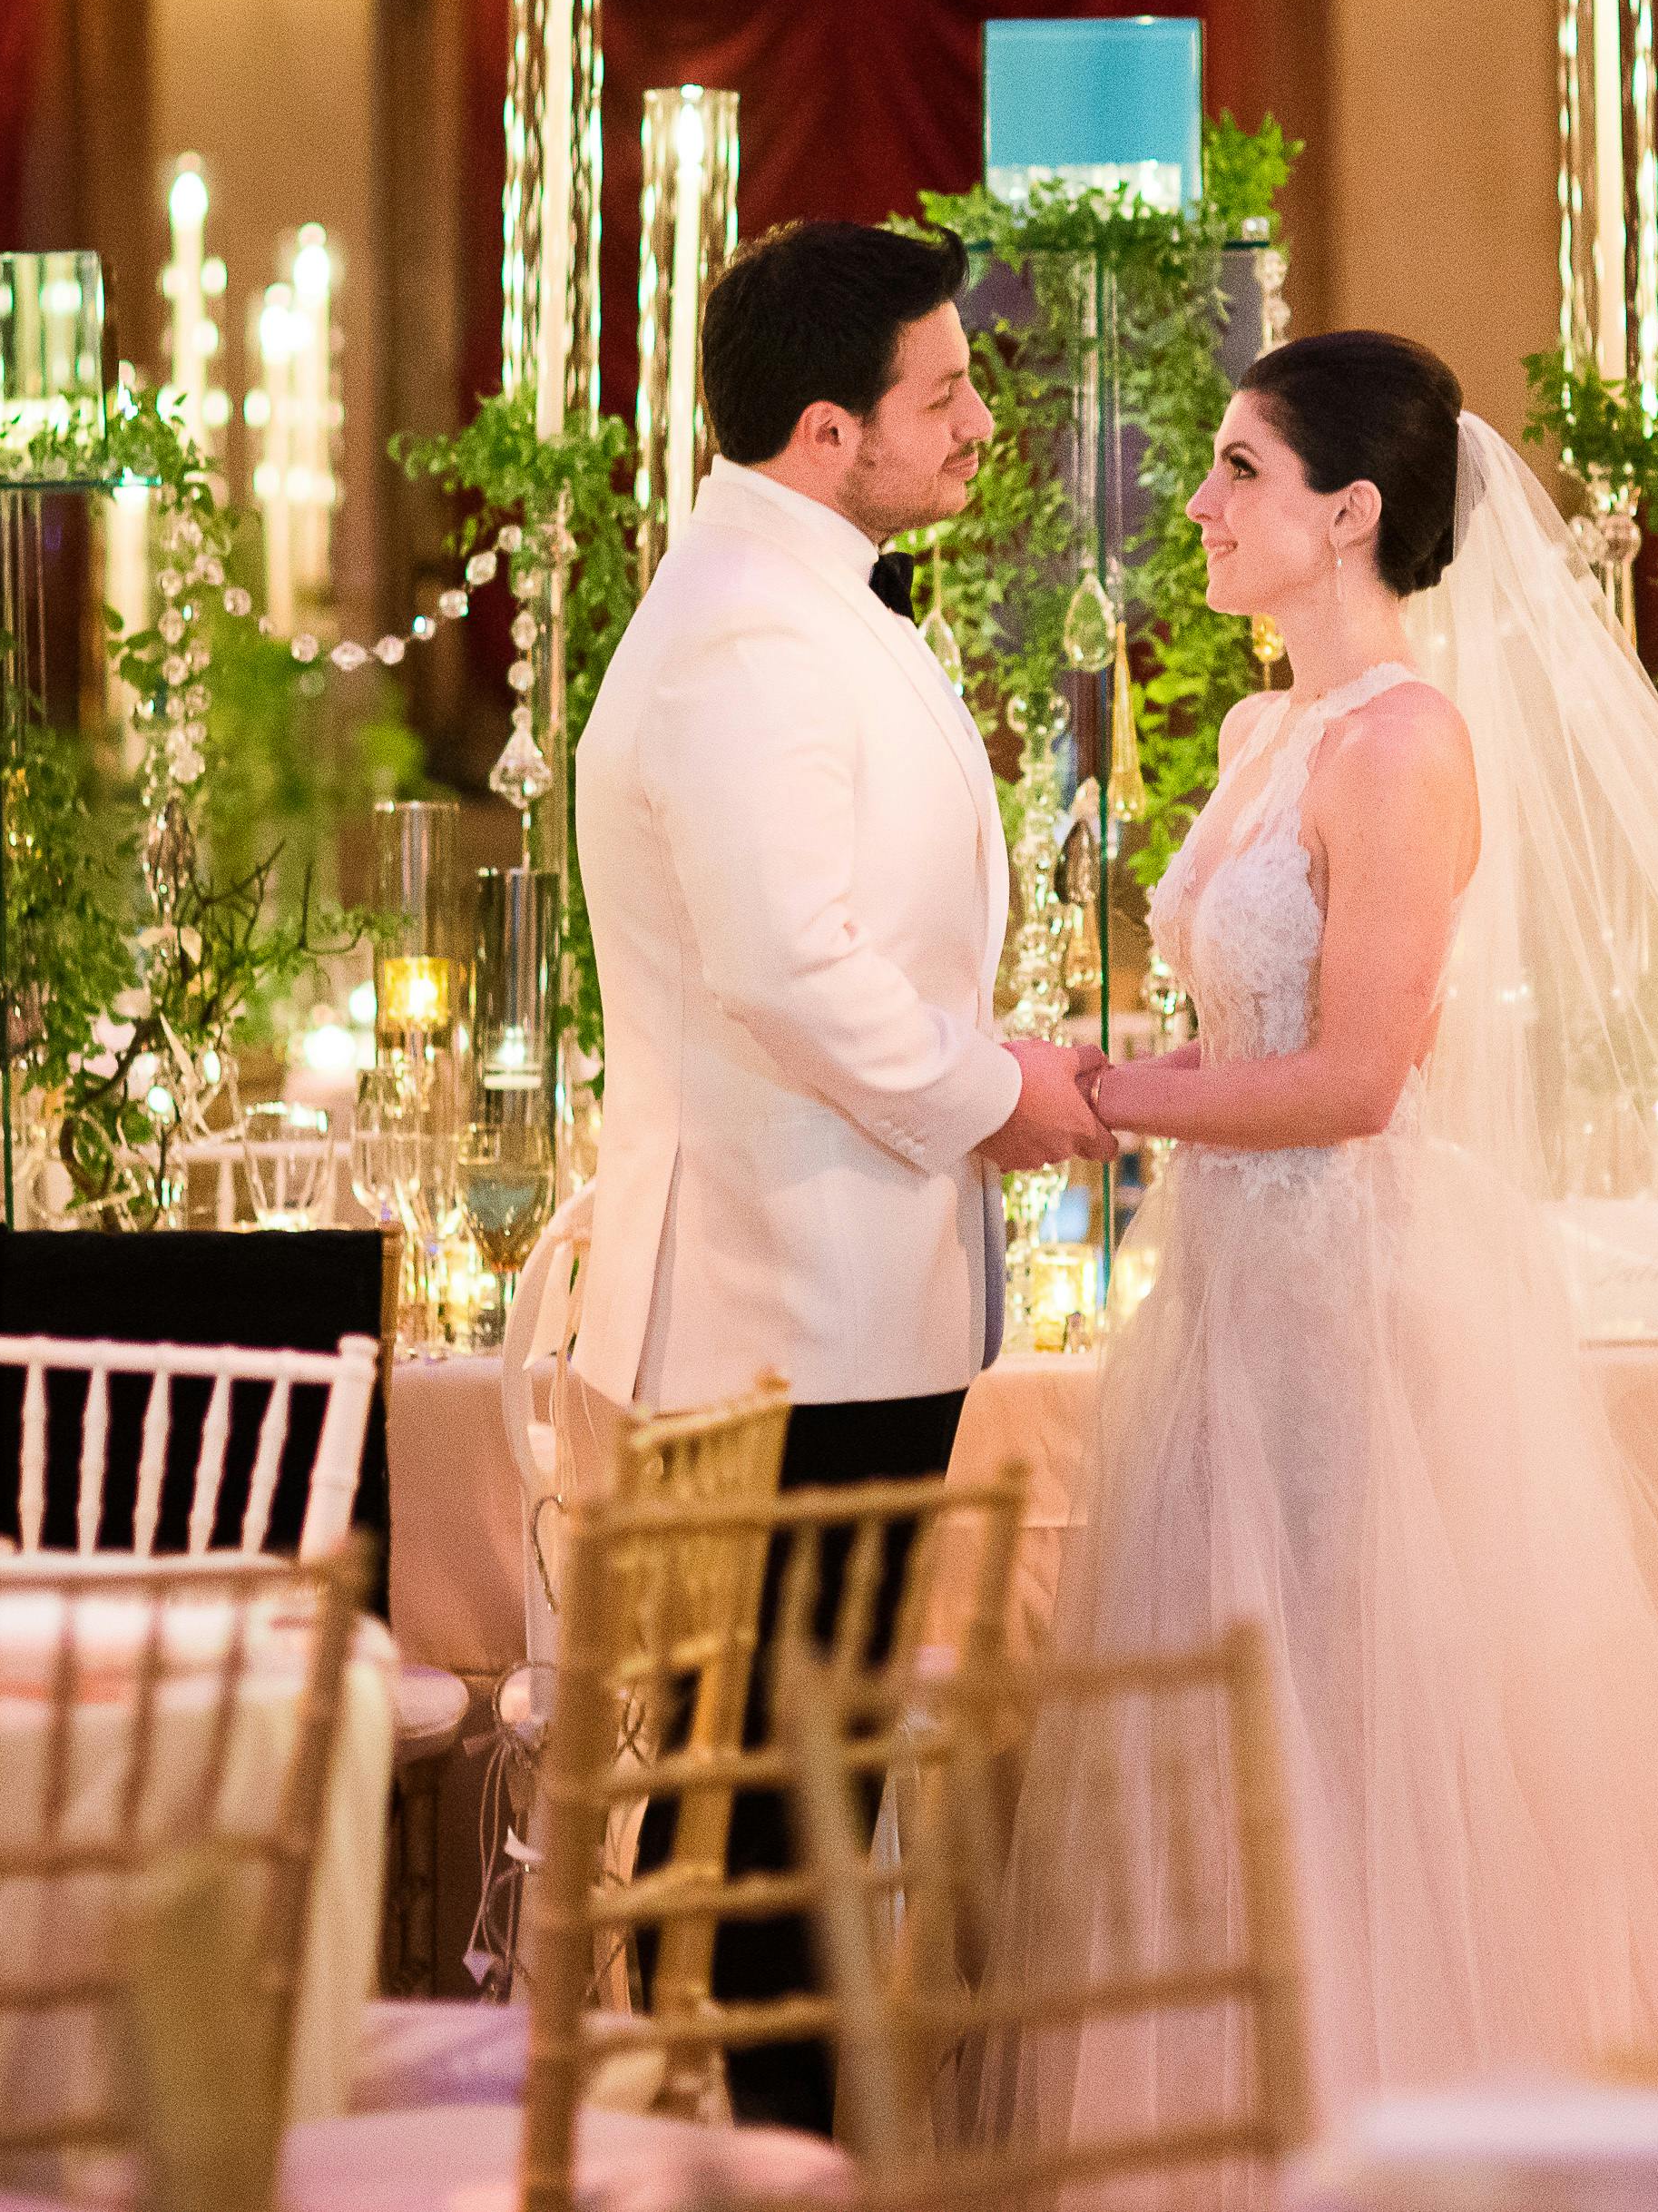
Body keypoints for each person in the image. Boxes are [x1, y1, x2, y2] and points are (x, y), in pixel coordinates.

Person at [1015, 329, 1658, 2128]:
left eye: (1242, 470)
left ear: (1352, 512)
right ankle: (1237, 2123)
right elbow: (1250, 1034)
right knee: (1233, 1730)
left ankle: (1389, 2125)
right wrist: (1131, 1077)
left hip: (1343, 1295)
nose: (1205, 507)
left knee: (1348, 1717)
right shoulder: (1260, 726)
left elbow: (1358, 1076)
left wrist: (1095, 1096)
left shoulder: (1404, 743)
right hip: (1228, 1287)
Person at [568, 215, 1111, 2133]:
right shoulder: (744, 635)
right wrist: (994, 1096)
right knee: (772, 1804)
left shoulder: (802, 598)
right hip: (780, 1314)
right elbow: (786, 964)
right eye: (942, 392)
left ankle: (773, 2155)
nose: (980, 420)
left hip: (847, 1303)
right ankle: (765, 2164)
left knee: (806, 1770)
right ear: (824, 429)